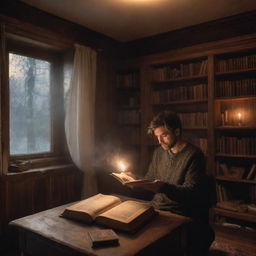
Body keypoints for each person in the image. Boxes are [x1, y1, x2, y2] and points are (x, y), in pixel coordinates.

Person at [129, 110, 215, 256]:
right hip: (156, 208)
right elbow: (150, 180)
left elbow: (191, 193)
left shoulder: (194, 155)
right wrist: (135, 181)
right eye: (157, 136)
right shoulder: (158, 153)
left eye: (164, 135)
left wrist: (162, 187)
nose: (160, 141)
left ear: (177, 131)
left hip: (179, 212)